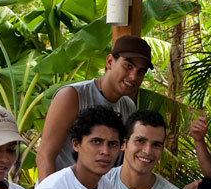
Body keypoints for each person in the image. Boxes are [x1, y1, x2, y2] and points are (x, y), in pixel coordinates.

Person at [36, 36, 152, 181]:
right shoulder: (72, 96)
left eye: (141, 72)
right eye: (128, 66)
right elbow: (45, 155)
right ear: (110, 62)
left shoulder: (128, 106)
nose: (134, 76)